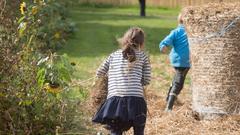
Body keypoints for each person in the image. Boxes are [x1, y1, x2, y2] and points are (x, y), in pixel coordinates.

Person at [92, 27, 151, 135]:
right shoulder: (143, 56)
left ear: (124, 39)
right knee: (139, 132)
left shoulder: (114, 55)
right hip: (136, 103)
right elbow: (146, 80)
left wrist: (109, 79)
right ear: (141, 43)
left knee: (115, 131)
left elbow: (99, 73)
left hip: (115, 103)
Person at [159, 13, 190, 112]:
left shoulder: (177, 31)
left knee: (176, 80)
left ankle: (168, 98)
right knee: (178, 84)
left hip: (178, 60)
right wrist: (163, 46)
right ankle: (169, 107)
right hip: (182, 61)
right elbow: (165, 42)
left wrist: (163, 46)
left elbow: (165, 42)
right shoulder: (187, 32)